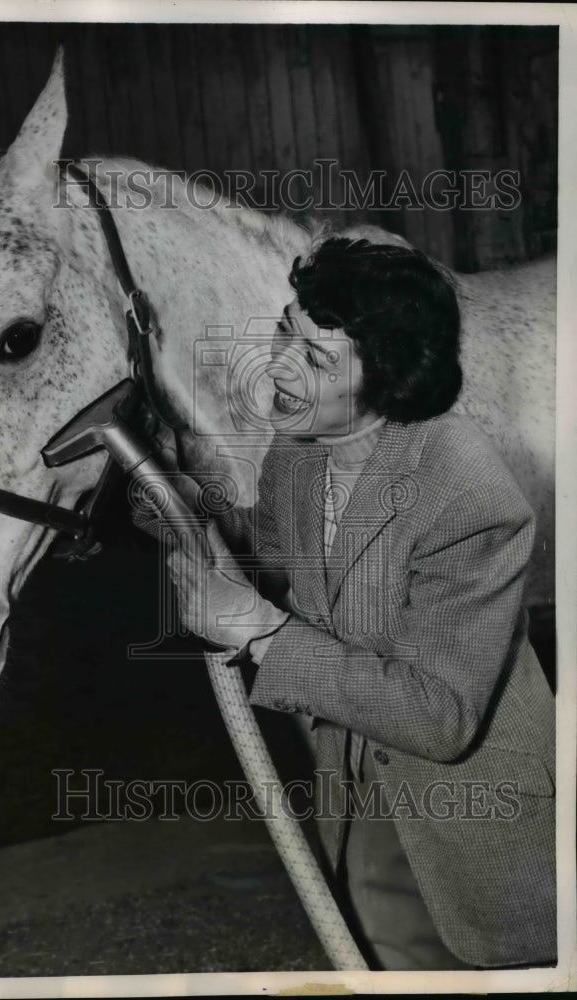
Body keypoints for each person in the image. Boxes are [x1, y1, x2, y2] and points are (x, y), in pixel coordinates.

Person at [164, 236, 556, 971]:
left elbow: (438, 717)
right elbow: (278, 561)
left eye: (315, 357)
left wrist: (255, 629)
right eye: (285, 328)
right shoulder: (300, 447)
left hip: (469, 834)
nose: (279, 363)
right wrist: (182, 504)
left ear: (385, 381)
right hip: (360, 807)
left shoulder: (467, 496)